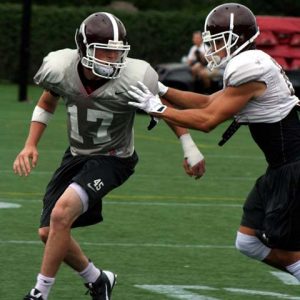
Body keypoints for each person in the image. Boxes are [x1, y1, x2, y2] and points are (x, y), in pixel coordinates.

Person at [13, 12, 205, 300]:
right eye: (104, 51)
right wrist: (30, 144)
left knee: (62, 213)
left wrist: (189, 147)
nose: (112, 59)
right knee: (48, 231)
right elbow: (47, 99)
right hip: (77, 153)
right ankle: (97, 279)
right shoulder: (60, 67)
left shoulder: (135, 76)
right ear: (83, 49)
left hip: (114, 158)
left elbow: (161, 106)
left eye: (117, 52)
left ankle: (39, 293)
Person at [127, 3, 300, 283]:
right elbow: (208, 101)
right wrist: (161, 90)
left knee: (281, 243)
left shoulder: (250, 67)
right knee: (249, 242)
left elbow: (208, 120)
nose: (212, 49)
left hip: (293, 170)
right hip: (279, 168)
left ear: (237, 39)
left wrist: (158, 109)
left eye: (217, 42)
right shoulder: (250, 62)